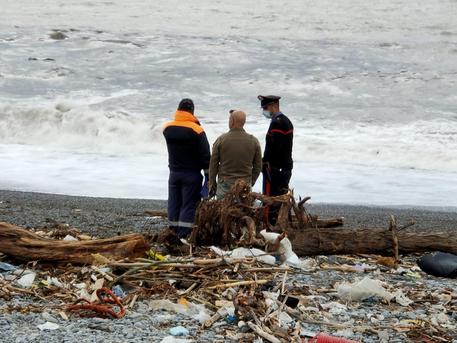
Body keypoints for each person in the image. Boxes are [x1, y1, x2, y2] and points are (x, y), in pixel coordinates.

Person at [163, 99, 210, 238]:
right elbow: (205, 155)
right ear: (192, 111)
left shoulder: (167, 128)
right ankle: (183, 236)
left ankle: (172, 232)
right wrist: (208, 177)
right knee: (188, 205)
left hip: (174, 173)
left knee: (174, 203)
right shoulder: (197, 130)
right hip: (191, 174)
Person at [209, 110, 262, 198]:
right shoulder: (254, 141)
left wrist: (212, 183)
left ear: (232, 121)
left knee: (223, 209)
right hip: (245, 184)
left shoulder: (221, 140)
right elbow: (258, 166)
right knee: (243, 209)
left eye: (229, 119)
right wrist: (251, 182)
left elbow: (213, 164)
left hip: (224, 184)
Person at [258, 95, 294, 225]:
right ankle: (281, 223)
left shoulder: (278, 123)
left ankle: (270, 226)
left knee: (270, 200)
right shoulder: (285, 121)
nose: (264, 111)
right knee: (281, 198)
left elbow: (275, 148)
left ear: (274, 106)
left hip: (275, 168)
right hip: (285, 167)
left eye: (266, 107)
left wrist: (266, 162)